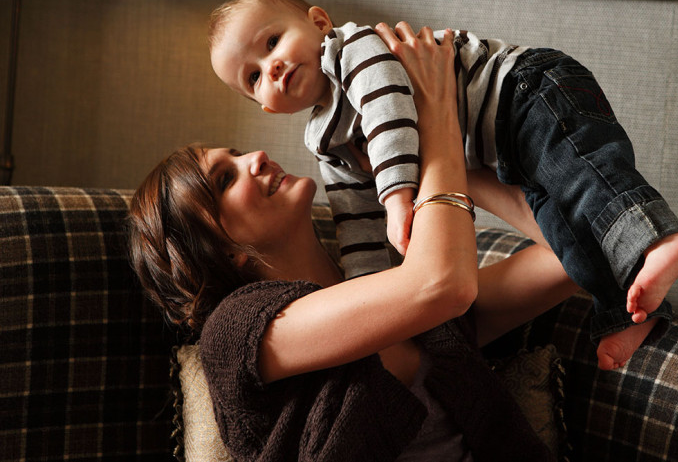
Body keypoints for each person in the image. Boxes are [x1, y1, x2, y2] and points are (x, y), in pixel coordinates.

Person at [128, 23, 578, 461]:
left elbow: (574, 254)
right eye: (226, 179)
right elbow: (443, 286)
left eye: (236, 153)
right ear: (219, 249)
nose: (256, 158)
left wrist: (422, 158)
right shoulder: (234, 333)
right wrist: (435, 112)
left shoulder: (390, 287)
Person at [207, 0, 678, 370]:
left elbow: (390, 110)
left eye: (272, 42)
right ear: (265, 106)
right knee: (565, 218)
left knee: (584, 177)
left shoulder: (353, 48)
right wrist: (373, 286)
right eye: (253, 78)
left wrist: (399, 198)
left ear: (319, 23)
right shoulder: (327, 141)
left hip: (523, 91)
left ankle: (661, 237)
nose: (270, 67)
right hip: (492, 152)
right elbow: (356, 216)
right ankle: (628, 310)